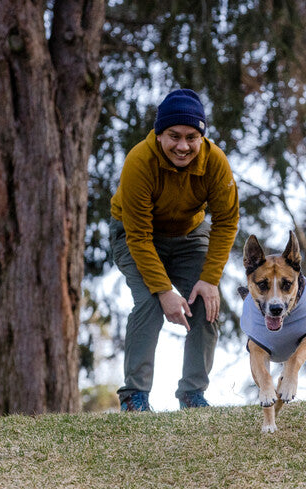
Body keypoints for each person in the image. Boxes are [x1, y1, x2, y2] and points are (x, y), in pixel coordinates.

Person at [109, 89, 239, 411]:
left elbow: (226, 221)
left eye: (191, 137)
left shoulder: (215, 162)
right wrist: (164, 290)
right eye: (174, 136)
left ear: (201, 137)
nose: (183, 146)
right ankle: (134, 397)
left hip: (189, 235)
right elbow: (138, 236)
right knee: (151, 303)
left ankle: (192, 395)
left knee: (205, 303)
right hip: (135, 236)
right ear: (159, 134)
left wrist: (209, 279)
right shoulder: (140, 161)